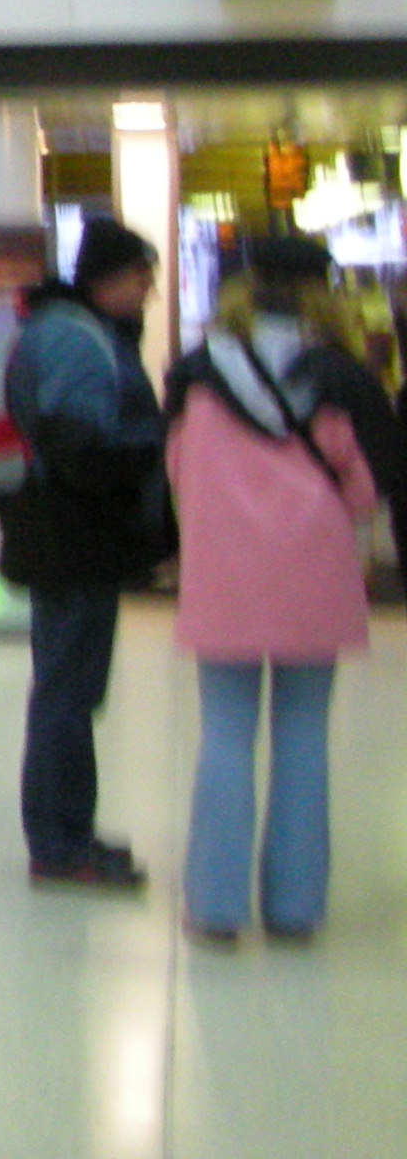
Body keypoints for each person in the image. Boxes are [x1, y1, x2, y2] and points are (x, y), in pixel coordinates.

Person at [162, 237, 401, 942]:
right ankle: (296, 906)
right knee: (303, 737)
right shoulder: (342, 378)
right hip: (314, 576)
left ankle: (215, 904)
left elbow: (177, 469)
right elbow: (369, 486)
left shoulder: (198, 374)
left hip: (223, 577)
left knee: (225, 734)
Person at [0, 216, 170, 891]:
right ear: (108, 280)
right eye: (142, 278)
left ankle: (67, 832)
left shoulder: (72, 331)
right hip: (74, 539)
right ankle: (59, 844)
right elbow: (80, 450)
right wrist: (158, 449)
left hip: (72, 538)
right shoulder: (76, 339)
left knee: (68, 691)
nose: (149, 292)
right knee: (65, 694)